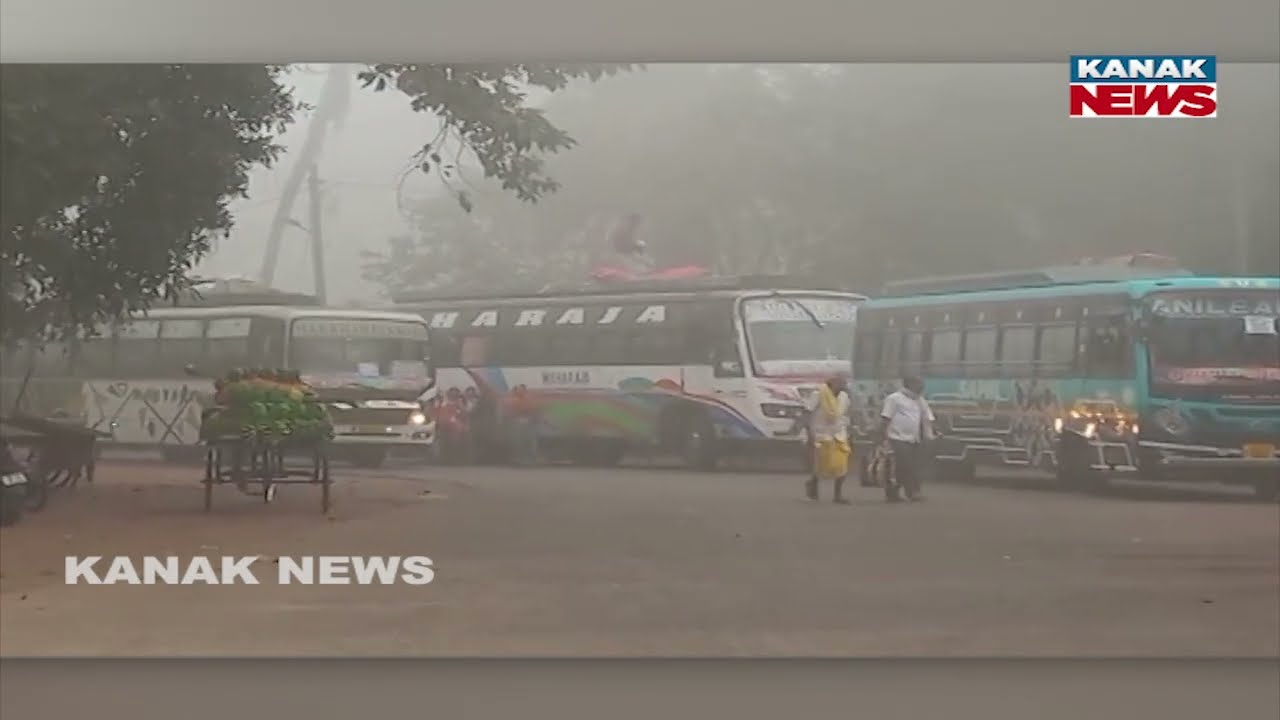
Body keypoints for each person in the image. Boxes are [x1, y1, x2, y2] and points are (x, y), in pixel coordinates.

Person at [877, 376, 936, 502]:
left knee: (912, 467)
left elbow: (927, 419)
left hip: (914, 439)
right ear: (909, 384)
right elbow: (886, 418)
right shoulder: (894, 399)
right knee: (902, 466)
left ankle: (911, 492)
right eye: (918, 384)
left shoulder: (919, 400)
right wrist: (882, 437)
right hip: (896, 437)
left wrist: (929, 436)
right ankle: (898, 493)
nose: (922, 387)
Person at [806, 375, 853, 504]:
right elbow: (808, 412)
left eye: (844, 383)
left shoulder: (844, 397)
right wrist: (809, 433)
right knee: (822, 466)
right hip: (822, 434)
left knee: (842, 465)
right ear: (831, 383)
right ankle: (812, 483)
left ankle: (837, 495)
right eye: (840, 382)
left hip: (839, 434)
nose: (843, 385)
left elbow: (846, 414)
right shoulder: (818, 394)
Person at [506, 384, 541, 466]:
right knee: (519, 442)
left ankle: (532, 460)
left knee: (531, 442)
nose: (519, 391)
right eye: (518, 390)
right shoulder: (513, 400)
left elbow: (534, 411)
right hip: (518, 424)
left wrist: (530, 419)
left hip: (529, 424)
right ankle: (519, 460)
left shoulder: (529, 400)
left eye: (521, 390)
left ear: (525, 391)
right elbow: (511, 413)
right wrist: (517, 419)